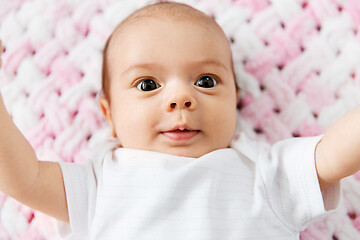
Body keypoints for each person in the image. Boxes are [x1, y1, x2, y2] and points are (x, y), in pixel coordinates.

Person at [0, 1, 359, 239]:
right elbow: (24, 178)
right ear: (110, 116)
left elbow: (332, 154)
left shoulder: (263, 171)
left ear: (235, 100)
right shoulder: (97, 183)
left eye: (205, 81)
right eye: (148, 84)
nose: (180, 98)